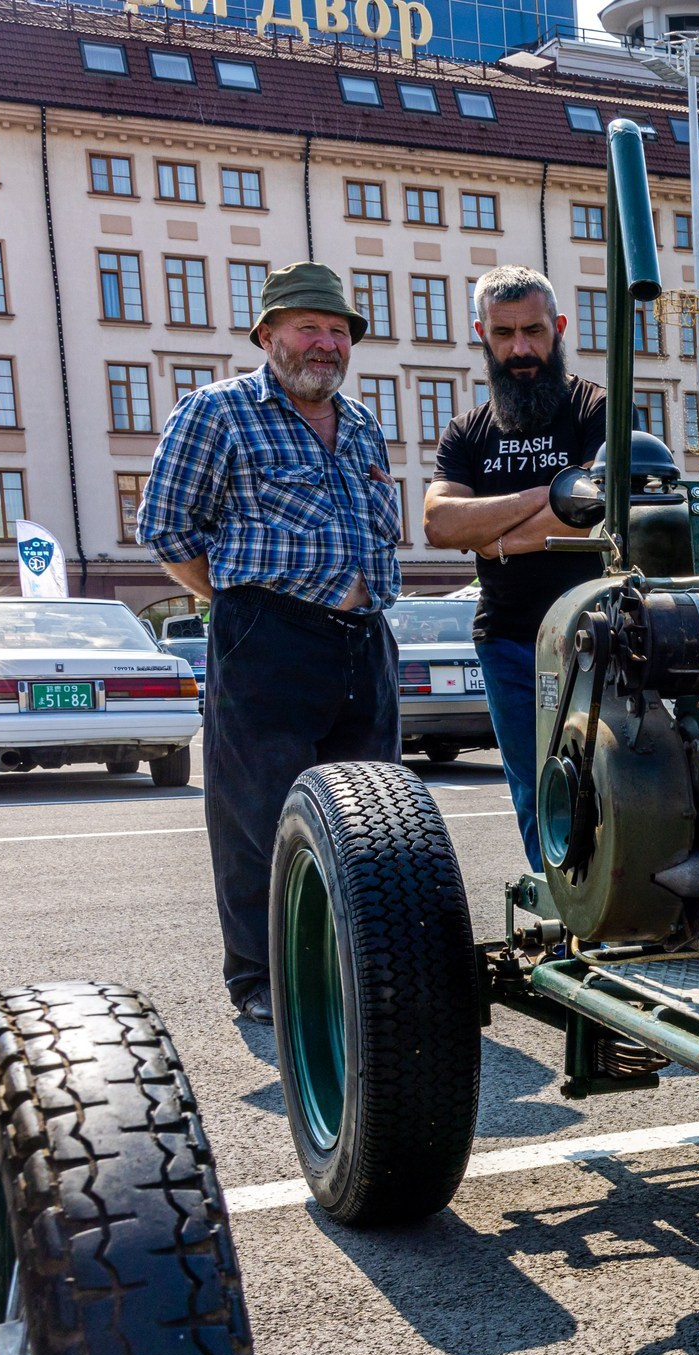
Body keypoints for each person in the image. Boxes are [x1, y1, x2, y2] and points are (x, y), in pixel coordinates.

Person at [138, 261, 404, 1025]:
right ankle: (261, 978)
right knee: (259, 818)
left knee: (372, 817)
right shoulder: (216, 411)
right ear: (267, 335)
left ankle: (353, 962)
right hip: (269, 636)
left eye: (336, 332)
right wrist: (240, 605)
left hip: (365, 638)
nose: (325, 344)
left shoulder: (359, 423)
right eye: (307, 328)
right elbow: (167, 530)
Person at [421, 266, 606, 869]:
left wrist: (495, 540)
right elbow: (441, 525)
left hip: (597, 633)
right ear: (482, 334)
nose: (520, 349)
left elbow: (598, 511)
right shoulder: (466, 432)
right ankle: (560, 915)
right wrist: (553, 494)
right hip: (506, 639)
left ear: (559, 329)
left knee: (611, 781)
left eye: (533, 331)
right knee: (533, 789)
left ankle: (613, 910)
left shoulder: (596, 411)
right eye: (504, 334)